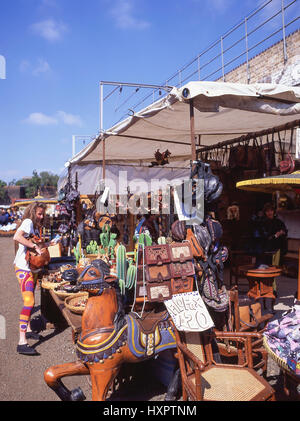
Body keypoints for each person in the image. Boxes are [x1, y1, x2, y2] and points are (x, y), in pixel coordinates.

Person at [13, 202, 56, 356]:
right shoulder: (28, 222)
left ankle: (29, 329)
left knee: (31, 301)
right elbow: (17, 237)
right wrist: (35, 247)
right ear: (32, 212)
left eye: (42, 213)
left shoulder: (35, 225)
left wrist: (46, 244)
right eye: (39, 213)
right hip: (24, 269)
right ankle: (21, 342)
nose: (41, 216)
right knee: (29, 302)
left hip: (32, 268)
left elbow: (33, 242)